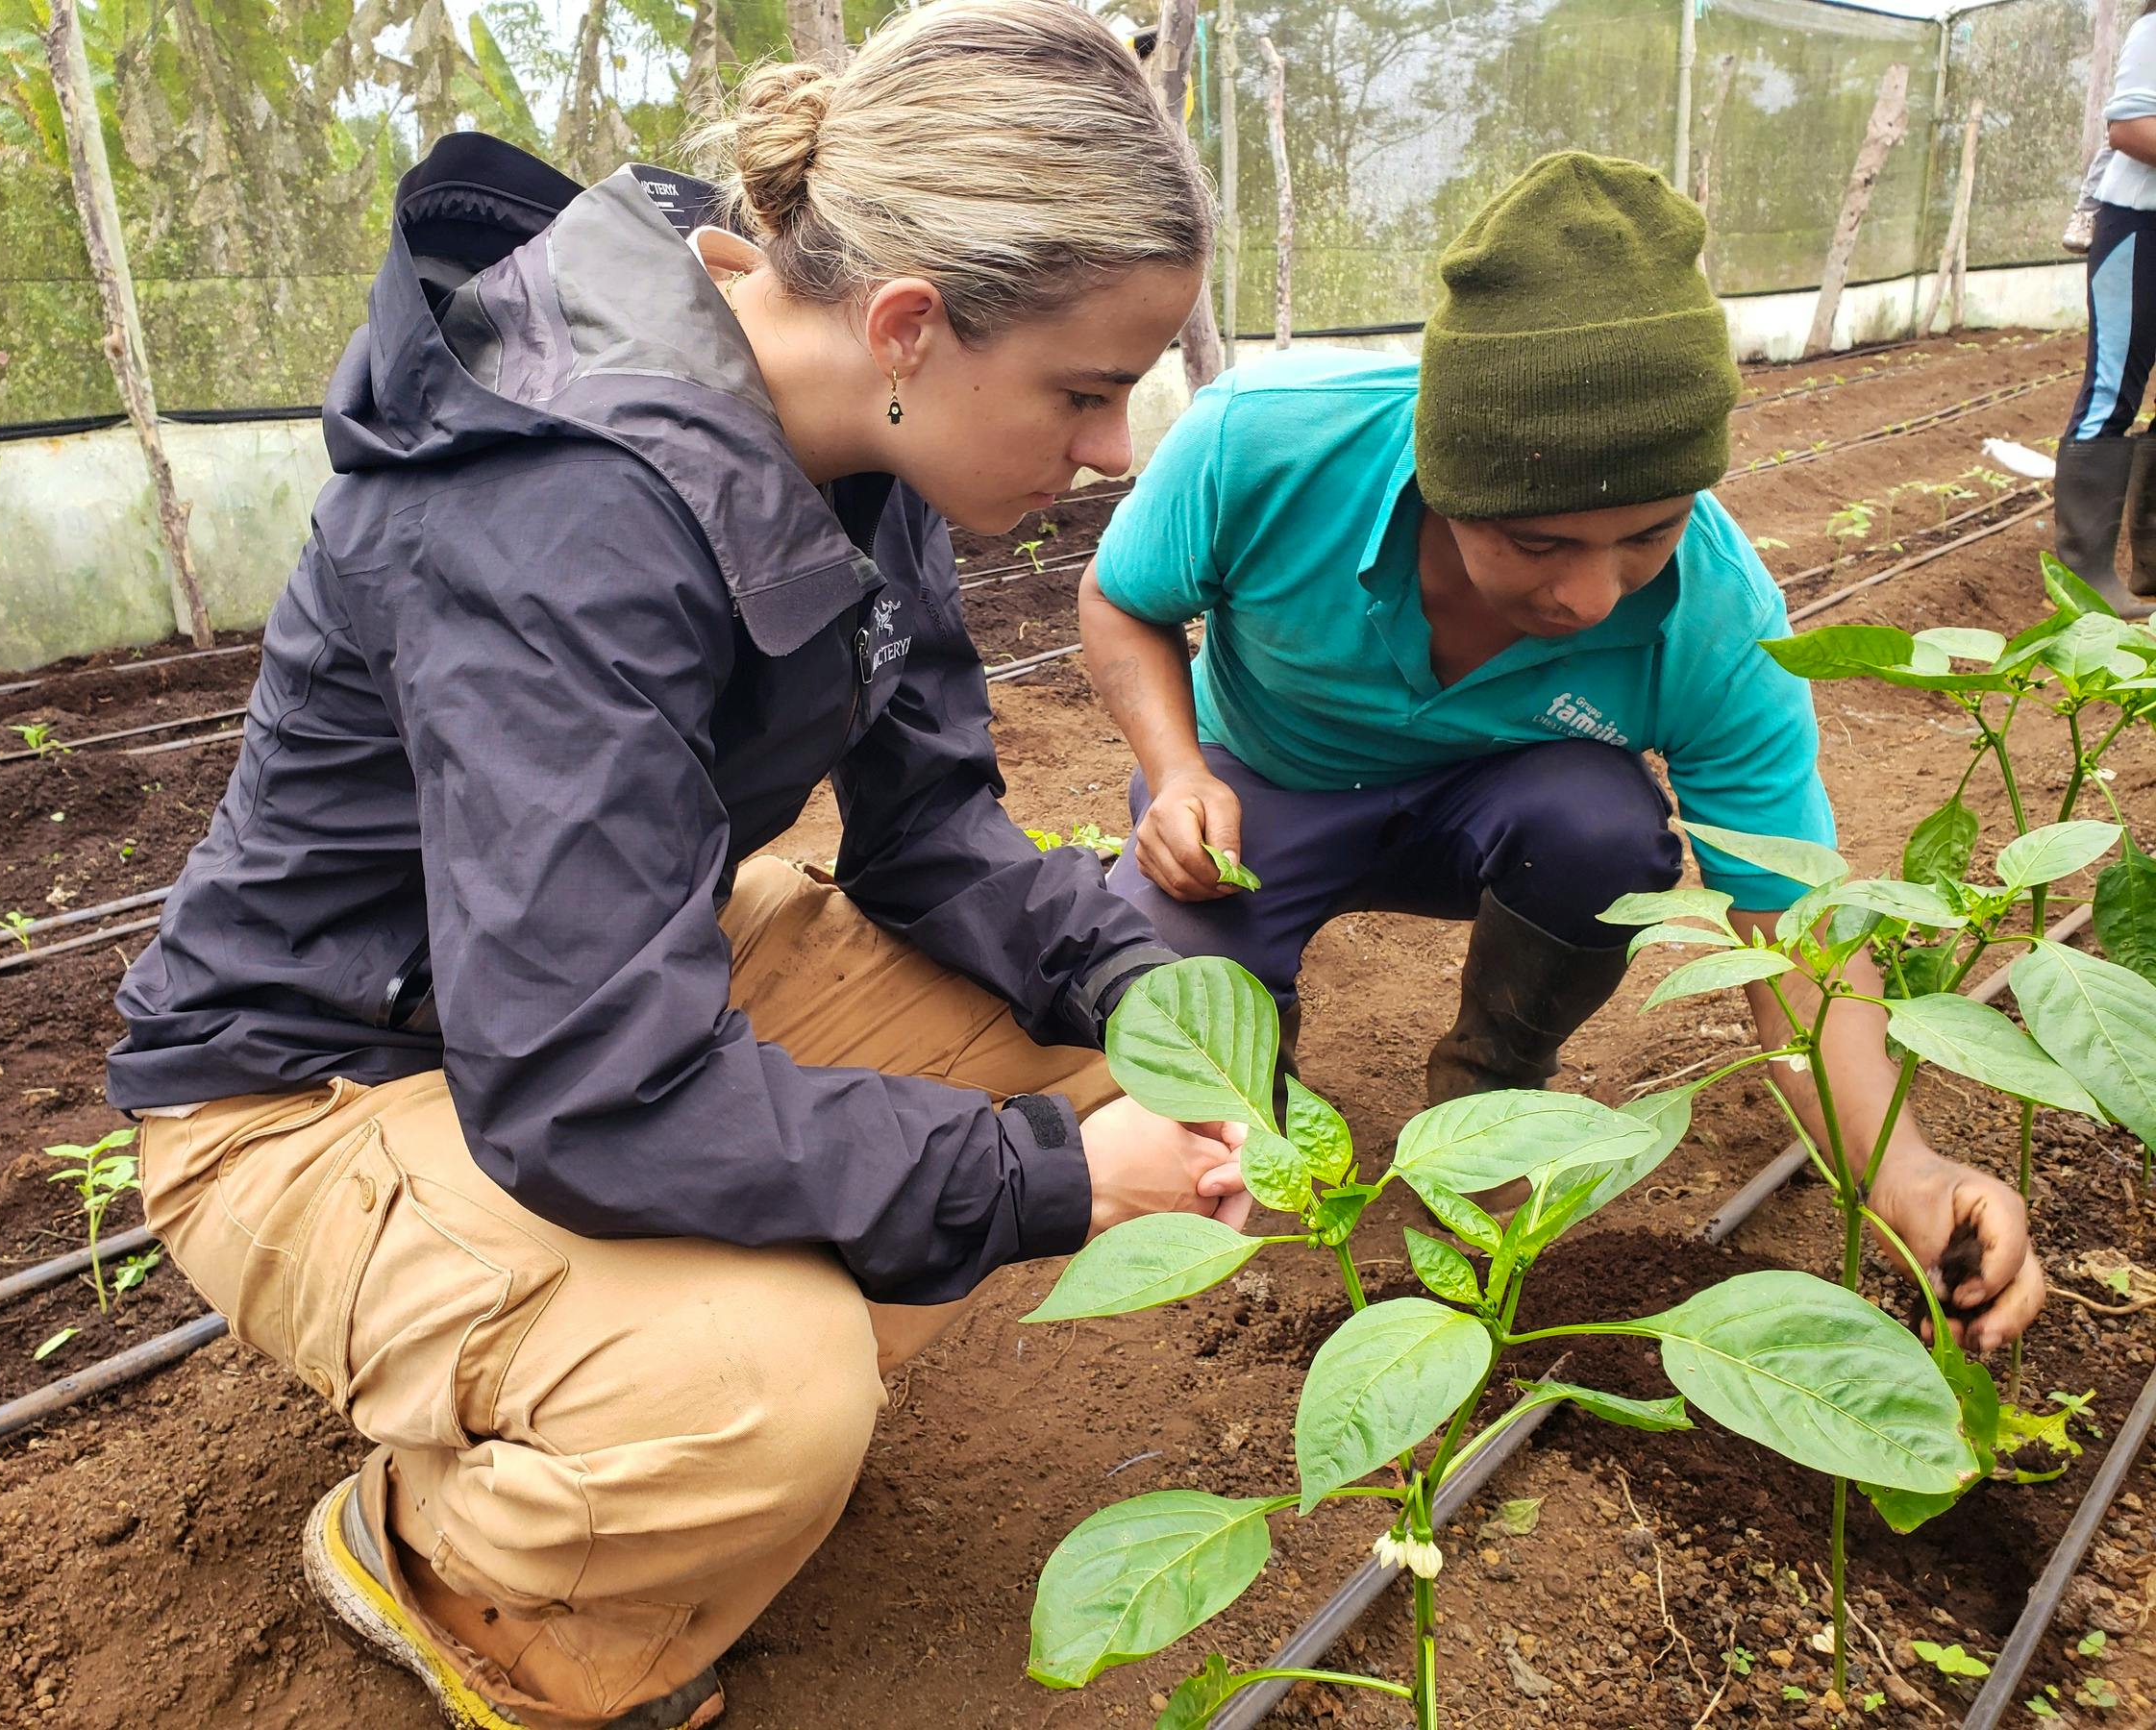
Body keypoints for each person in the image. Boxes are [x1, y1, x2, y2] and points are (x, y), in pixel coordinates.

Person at [106, 6, 1248, 1726]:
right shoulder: (564, 510)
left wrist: (1149, 980)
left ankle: (679, 1413)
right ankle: (471, 1562)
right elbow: (587, 1083)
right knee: (764, 1394)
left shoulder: (864, 445)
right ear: (911, 325)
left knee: (1107, 1018)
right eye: (1086, 391)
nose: (1111, 451)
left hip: (582, 986)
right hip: (317, 1084)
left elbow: (933, 841)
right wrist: (1055, 1186)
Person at [1080, 151, 2045, 1349]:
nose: (1591, 595)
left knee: (1606, 825)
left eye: (1646, 535)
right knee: (1171, 1029)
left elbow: (1792, 929)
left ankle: (1492, 1081)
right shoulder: (1263, 444)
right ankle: (1253, 1086)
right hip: (1261, 791)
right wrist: (1177, 772)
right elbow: (1122, 601)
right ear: (1444, 477)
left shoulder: (1716, 617)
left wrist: (1899, 1168)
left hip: (1494, 812)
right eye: (1536, 543)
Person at [2057, 0, 2156, 616]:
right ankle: (2087, 578)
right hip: (2140, 231)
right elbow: (2130, 127)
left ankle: (2151, 566)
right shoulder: (2153, 30)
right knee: (2112, 390)